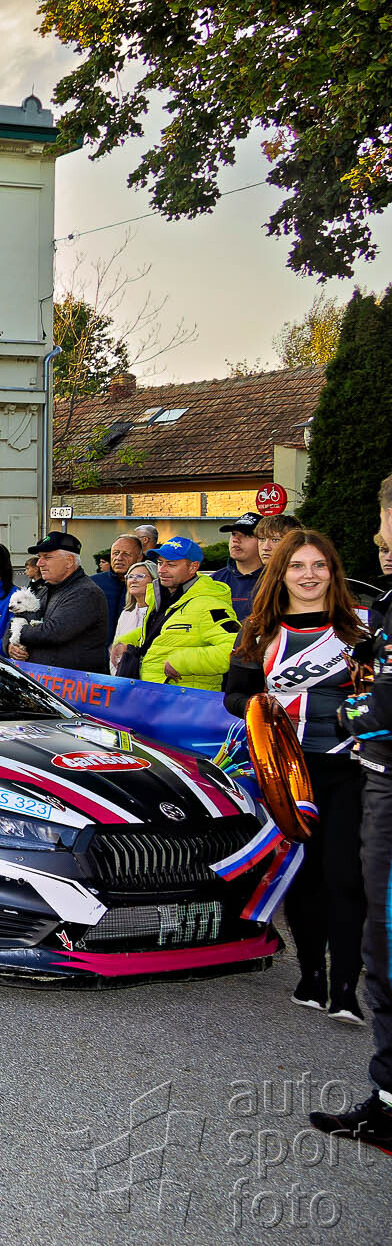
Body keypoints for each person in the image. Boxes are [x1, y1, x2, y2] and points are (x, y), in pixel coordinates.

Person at [223, 529, 366, 1022]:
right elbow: (233, 695)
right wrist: (264, 706)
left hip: (350, 768)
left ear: (333, 571)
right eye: (298, 566)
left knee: (347, 876)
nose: (309, 575)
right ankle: (311, 976)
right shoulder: (258, 631)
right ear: (281, 573)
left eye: (319, 565)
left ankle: (346, 987)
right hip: (288, 773)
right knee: (305, 876)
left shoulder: (359, 632)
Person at [315, 471, 392, 1150]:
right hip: (376, 781)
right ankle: (388, 1100)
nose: (378, 540)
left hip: (383, 784)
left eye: (387, 531)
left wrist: (353, 712)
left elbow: (381, 709)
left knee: (384, 947)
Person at [114, 536, 238, 690]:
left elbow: (236, 649)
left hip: (186, 699)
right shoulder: (163, 597)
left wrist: (183, 662)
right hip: (153, 694)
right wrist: (126, 641)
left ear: (193, 567)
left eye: (171, 565)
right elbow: (163, 633)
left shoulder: (210, 604)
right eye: (160, 563)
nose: (162, 570)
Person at [8, 531, 112, 673]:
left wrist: (17, 632)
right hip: (45, 680)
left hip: (73, 683)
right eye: (39, 557)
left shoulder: (86, 593)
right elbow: (15, 620)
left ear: (69, 561)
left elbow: (52, 632)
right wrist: (10, 646)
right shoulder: (45, 590)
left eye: (47, 557)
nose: (39, 563)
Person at [109, 560, 158, 679]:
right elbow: (116, 648)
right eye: (130, 576)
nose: (133, 580)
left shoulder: (161, 613)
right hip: (123, 679)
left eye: (140, 576)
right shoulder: (126, 613)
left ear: (155, 581)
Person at [212, 512, 265, 616]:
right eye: (234, 534)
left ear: (263, 541)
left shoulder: (278, 580)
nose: (236, 540)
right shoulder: (215, 581)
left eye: (246, 535)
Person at [93, 534, 143, 611]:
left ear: (139, 558)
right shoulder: (94, 583)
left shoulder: (148, 584)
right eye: (116, 553)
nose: (119, 558)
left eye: (126, 554)